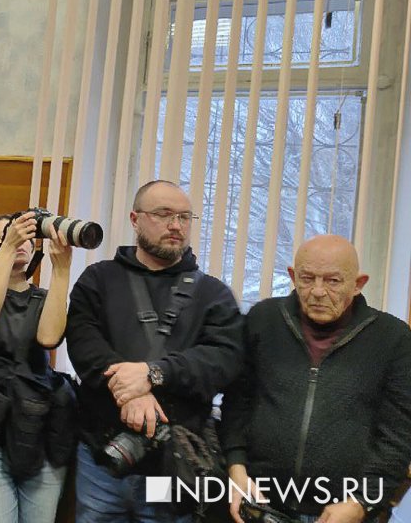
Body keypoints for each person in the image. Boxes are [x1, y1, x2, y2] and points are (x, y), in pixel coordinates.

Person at [65, 179, 245, 523]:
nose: (176, 225)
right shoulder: (98, 279)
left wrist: (153, 374)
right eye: (163, 214)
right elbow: (84, 343)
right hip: (102, 458)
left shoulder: (214, 294)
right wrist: (130, 392)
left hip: (171, 465)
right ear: (135, 219)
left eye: (184, 217)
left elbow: (222, 360)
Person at [220, 235, 411, 523]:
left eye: (333, 281)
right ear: (293, 277)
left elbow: (397, 436)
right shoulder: (264, 319)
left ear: (358, 284)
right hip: (259, 501)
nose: (318, 291)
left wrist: (363, 502)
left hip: (342, 510)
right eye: (307, 278)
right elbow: (237, 401)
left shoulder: (392, 338)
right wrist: (236, 468)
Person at [0, 211, 76, 523]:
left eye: (25, 237)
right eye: (7, 236)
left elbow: (49, 338)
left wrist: (62, 269)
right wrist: (9, 246)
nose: (20, 240)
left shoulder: (43, 299)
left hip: (39, 432)